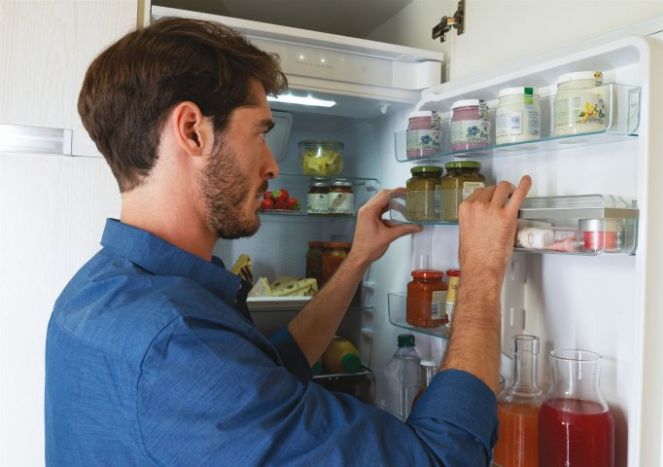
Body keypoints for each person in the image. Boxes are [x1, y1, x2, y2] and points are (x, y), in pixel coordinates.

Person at [44, 17, 532, 466]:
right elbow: (441, 459)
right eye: (260, 132)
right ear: (193, 131)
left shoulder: (95, 291)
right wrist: (483, 272)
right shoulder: (178, 343)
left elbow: (273, 370)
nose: (273, 165)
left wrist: (358, 259)